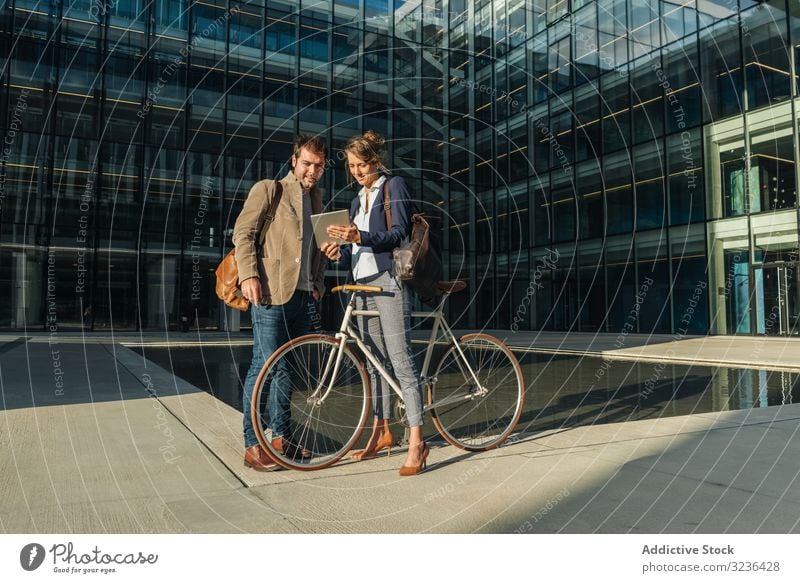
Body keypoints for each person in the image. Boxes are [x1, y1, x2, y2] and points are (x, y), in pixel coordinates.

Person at [321, 130, 429, 476]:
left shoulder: (392, 185)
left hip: (388, 281)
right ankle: (381, 432)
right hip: (360, 283)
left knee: (399, 361)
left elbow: (398, 233)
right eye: (351, 166)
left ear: (375, 161)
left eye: (362, 165)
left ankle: (417, 441)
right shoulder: (356, 201)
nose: (356, 171)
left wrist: (360, 236)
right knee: (374, 363)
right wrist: (340, 248)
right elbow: (357, 248)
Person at [233, 134, 327, 471]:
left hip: (303, 296)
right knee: (264, 365)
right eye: (306, 163)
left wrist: (317, 284)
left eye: (318, 165)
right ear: (294, 161)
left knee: (288, 370)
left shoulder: (318, 200)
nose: (312, 170)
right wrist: (248, 276)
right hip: (271, 293)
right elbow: (242, 234)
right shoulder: (270, 189)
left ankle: (280, 439)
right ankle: (252, 443)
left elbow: (320, 250)